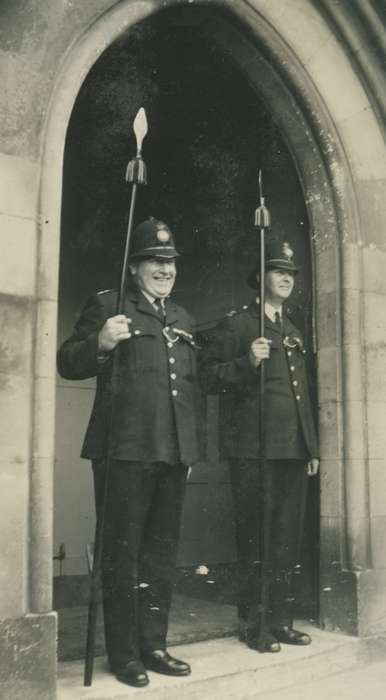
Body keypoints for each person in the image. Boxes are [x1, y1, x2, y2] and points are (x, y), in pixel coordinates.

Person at [57, 217, 201, 688]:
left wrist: (190, 447)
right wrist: (100, 342)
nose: (165, 269)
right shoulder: (109, 307)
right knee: (123, 556)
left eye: (170, 262)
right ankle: (124, 655)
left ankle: (153, 645)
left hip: (172, 453)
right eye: (155, 261)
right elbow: (67, 360)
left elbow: (188, 390)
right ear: (135, 266)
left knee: (160, 555)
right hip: (124, 452)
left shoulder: (182, 318)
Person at [199, 238, 319, 653]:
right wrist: (246, 363)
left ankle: (281, 621)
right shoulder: (238, 326)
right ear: (260, 278)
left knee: (287, 539)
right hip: (253, 449)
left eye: (291, 273)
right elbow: (209, 378)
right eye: (278, 271)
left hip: (292, 450)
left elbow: (303, 393)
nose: (286, 278)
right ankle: (254, 625)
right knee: (256, 538)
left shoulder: (293, 330)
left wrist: (311, 446)